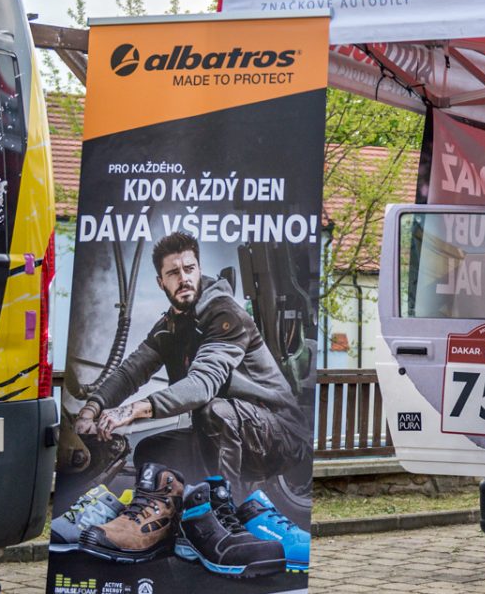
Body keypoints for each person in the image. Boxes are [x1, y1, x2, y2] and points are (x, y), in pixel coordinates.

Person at [74, 232, 311, 550]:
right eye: (174, 272)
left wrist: (132, 410)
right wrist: (91, 409)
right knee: (152, 451)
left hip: (279, 434)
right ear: (161, 282)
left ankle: (226, 524)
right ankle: (166, 526)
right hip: (229, 430)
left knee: (216, 412)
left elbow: (202, 385)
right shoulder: (172, 325)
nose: (184, 278)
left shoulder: (224, 315)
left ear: (199, 269)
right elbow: (130, 372)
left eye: (189, 269)